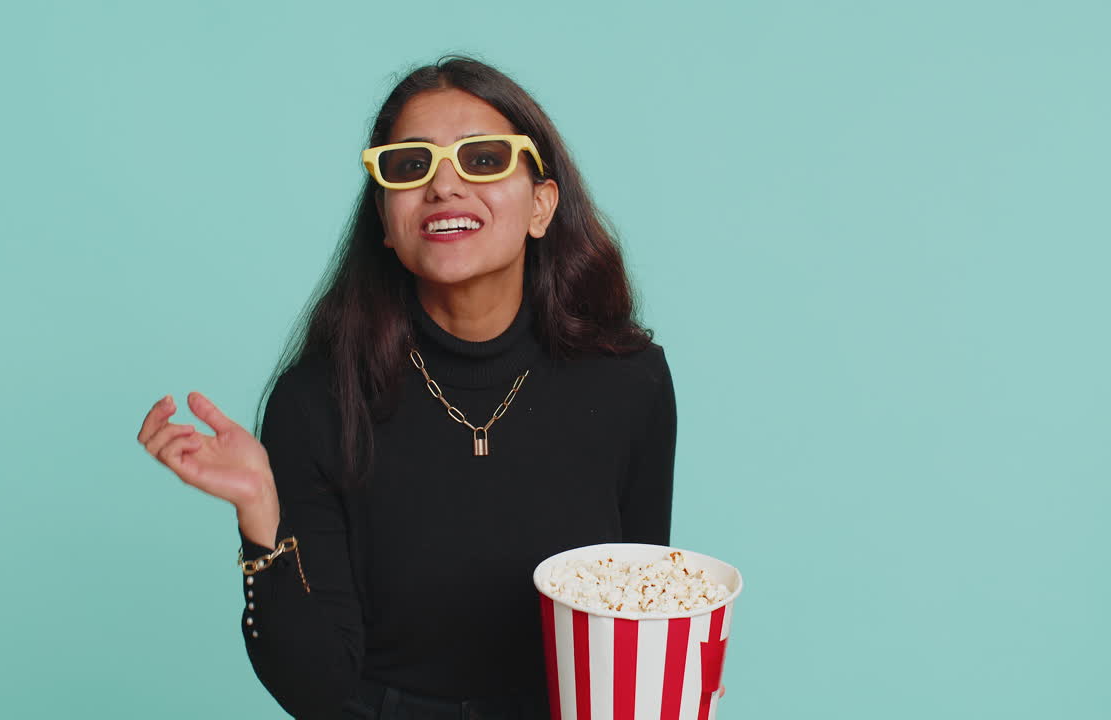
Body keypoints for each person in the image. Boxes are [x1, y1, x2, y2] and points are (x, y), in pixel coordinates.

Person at [137, 55, 715, 719]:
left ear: (541, 205)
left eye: (485, 159)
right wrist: (261, 516)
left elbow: (633, 629)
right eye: (409, 166)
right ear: (385, 220)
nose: (444, 186)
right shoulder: (317, 402)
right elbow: (319, 693)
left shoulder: (629, 381)